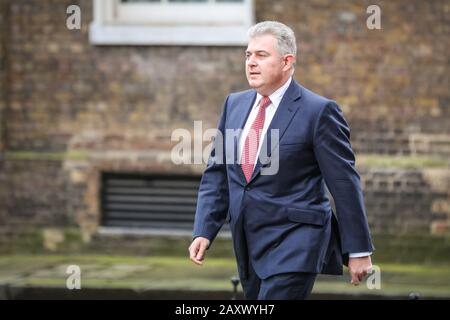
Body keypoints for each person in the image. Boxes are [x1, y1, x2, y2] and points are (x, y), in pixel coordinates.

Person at [188, 21, 374, 300]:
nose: (251, 63)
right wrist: (204, 228)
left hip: (297, 243)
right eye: (248, 55)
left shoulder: (319, 111)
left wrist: (358, 250)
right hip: (248, 243)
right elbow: (217, 174)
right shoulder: (234, 105)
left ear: (287, 62)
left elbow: (344, 182)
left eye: (261, 55)